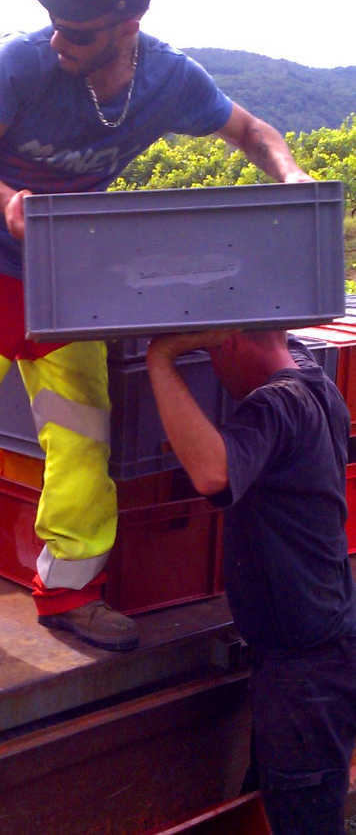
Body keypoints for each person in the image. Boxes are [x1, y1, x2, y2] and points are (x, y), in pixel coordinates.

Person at [0, 0, 313, 648]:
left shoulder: (169, 80)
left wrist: (291, 178)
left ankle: (70, 595)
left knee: (81, 439)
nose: (59, 39)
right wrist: (9, 201)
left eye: (77, 31)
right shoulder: (19, 62)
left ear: (128, 26)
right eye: (55, 22)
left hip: (69, 277)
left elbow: (252, 131)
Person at [146, 329, 356, 834]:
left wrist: (162, 357)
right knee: (277, 798)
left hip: (304, 671)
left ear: (231, 342)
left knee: (301, 816)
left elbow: (211, 472)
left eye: (213, 354)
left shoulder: (279, 403)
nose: (216, 374)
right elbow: (276, 333)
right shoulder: (314, 379)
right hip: (316, 651)